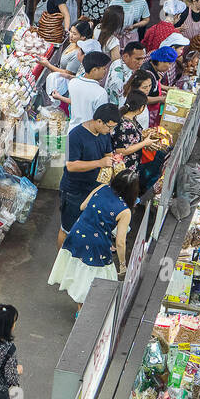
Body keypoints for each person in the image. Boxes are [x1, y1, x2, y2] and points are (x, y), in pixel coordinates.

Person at [49, 171, 139, 307]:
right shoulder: (125, 211)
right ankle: (84, 312)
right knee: (96, 281)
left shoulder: (102, 188)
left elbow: (82, 206)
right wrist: (122, 264)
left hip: (77, 234)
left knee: (79, 271)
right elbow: (120, 243)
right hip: (97, 245)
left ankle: (79, 305)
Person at [58, 103, 120, 250]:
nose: (110, 131)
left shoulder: (104, 134)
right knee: (67, 229)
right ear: (98, 121)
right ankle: (61, 260)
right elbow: (71, 166)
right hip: (74, 190)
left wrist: (113, 161)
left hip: (93, 189)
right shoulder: (75, 136)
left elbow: (107, 153)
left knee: (85, 226)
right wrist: (99, 163)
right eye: (109, 127)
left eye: (112, 128)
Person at [66, 51, 111, 126]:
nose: (106, 71)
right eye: (104, 69)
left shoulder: (73, 83)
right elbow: (101, 120)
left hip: (72, 129)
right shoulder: (100, 92)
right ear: (94, 70)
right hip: (89, 133)